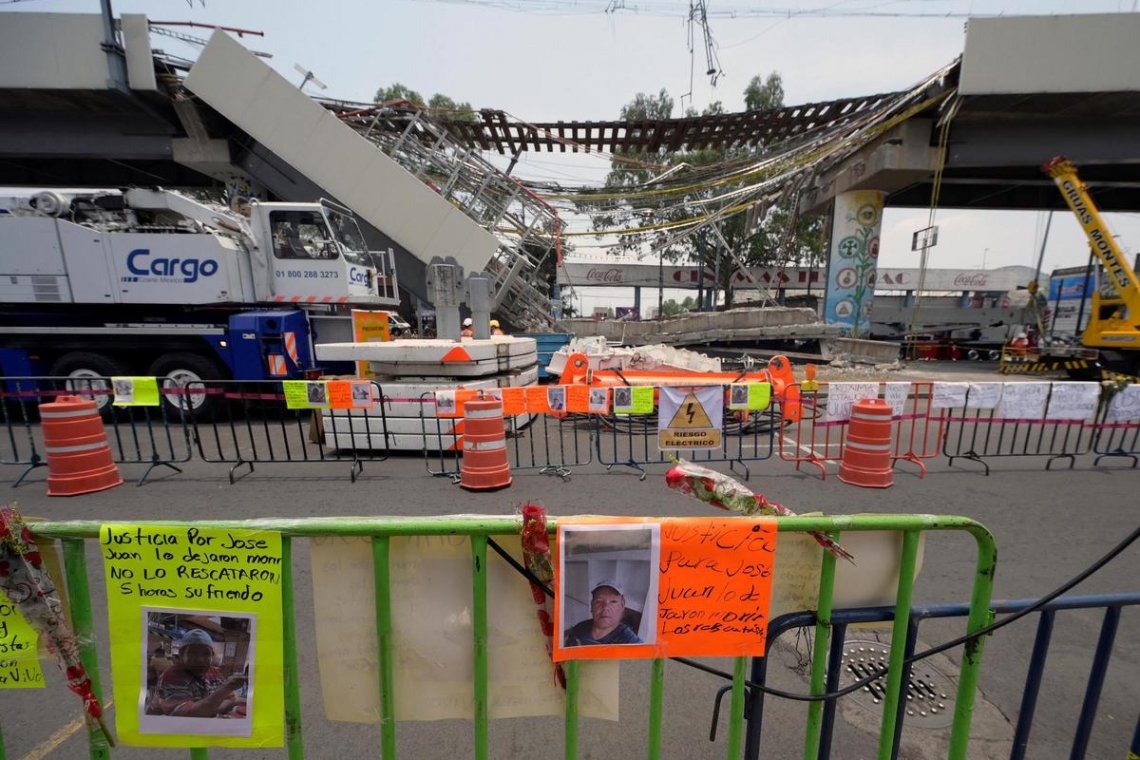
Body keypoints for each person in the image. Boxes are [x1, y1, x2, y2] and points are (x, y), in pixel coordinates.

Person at [150, 629, 247, 718]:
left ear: (212, 655)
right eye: (193, 653)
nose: (200, 659)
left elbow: (232, 698)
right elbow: (190, 715)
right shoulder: (172, 676)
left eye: (206, 654)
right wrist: (227, 688)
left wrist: (209, 708)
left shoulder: (213, 672)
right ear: (181, 654)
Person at [564, 579, 642, 647]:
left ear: (622, 605)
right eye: (599, 601)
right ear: (592, 605)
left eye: (613, 601)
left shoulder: (630, 641)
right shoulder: (579, 629)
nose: (605, 607)